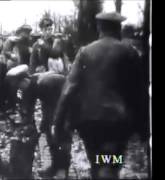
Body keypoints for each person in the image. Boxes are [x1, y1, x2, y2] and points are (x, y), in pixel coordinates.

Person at [52, 12, 149, 179]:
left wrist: (59, 123)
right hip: (118, 123)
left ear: (99, 28)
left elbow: (69, 89)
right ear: (118, 28)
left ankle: (100, 170)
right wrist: (143, 128)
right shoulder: (129, 52)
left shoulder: (85, 52)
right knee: (111, 163)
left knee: (97, 162)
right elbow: (139, 92)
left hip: (90, 123)